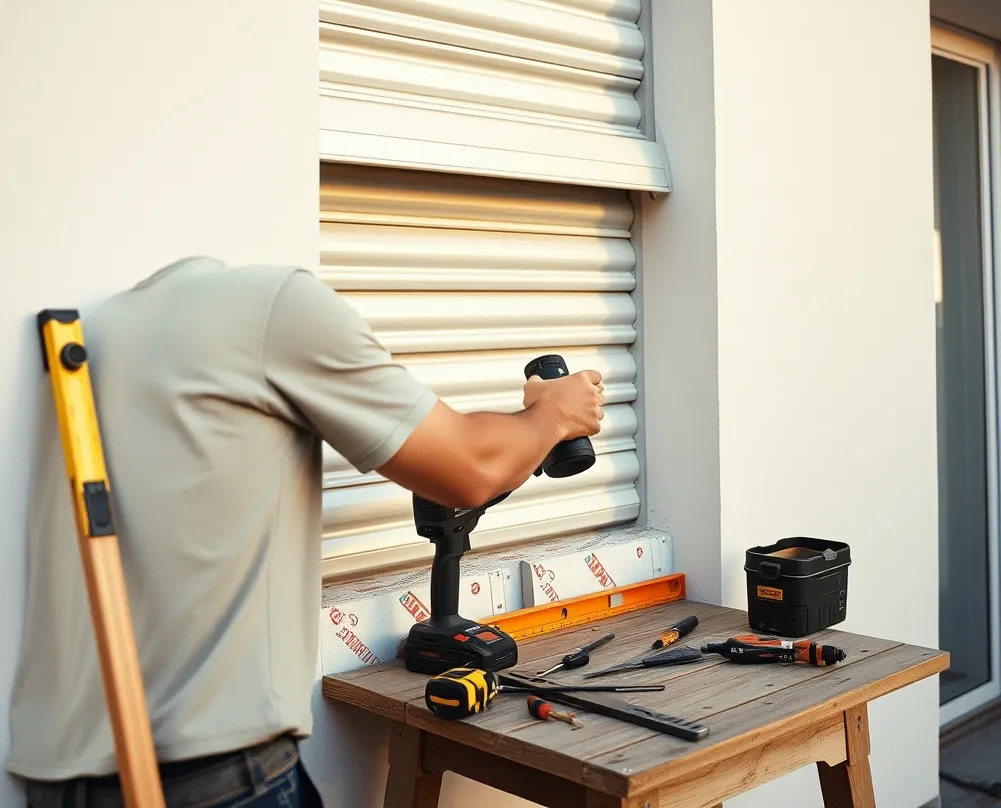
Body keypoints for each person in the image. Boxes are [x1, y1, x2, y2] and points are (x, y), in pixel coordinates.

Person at [6, 256, 604, 807]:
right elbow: (470, 469)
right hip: (210, 779)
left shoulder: (101, 332)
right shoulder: (275, 307)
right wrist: (553, 415)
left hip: (53, 775)